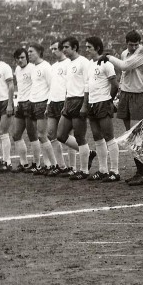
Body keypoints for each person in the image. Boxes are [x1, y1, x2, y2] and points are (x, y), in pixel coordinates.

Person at [100, 30, 143, 185]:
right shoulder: (123, 53)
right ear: (126, 43)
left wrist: (108, 57)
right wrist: (119, 93)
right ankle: (139, 172)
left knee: (137, 136)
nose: (134, 47)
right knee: (130, 135)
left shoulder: (142, 51)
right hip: (126, 94)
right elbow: (124, 74)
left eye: (136, 44)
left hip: (139, 94)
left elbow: (125, 66)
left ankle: (142, 174)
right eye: (131, 44)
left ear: (139, 43)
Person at [81, 36, 120, 182]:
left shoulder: (106, 64)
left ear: (97, 48)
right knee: (97, 137)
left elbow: (115, 85)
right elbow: (87, 87)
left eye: (89, 47)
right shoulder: (90, 65)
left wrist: (109, 100)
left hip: (103, 103)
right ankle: (103, 170)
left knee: (109, 137)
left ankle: (115, 171)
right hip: (92, 104)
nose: (87, 50)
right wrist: (85, 104)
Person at [56, 37, 95, 181]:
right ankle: (89, 153)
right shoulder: (67, 64)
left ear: (75, 48)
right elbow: (69, 86)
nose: (64, 50)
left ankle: (84, 170)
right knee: (60, 135)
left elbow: (87, 84)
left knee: (80, 136)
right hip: (69, 101)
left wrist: (85, 105)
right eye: (63, 47)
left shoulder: (84, 62)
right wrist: (66, 103)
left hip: (80, 101)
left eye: (66, 47)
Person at [45, 40, 73, 176]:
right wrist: (48, 104)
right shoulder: (53, 66)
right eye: (51, 49)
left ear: (62, 49)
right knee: (51, 134)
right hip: (53, 103)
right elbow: (52, 87)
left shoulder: (69, 63)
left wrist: (68, 102)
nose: (53, 51)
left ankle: (73, 167)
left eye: (55, 48)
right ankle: (61, 166)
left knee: (67, 135)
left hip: (65, 102)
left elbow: (71, 85)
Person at [26, 43, 54, 174]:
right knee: (38, 135)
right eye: (28, 51)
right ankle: (47, 165)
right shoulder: (32, 67)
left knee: (43, 135)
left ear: (39, 52)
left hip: (42, 103)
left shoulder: (46, 67)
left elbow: (51, 86)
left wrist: (48, 104)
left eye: (31, 51)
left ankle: (52, 165)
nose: (29, 53)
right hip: (33, 103)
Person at [10, 47, 33, 172]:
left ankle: (37, 164)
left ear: (27, 57)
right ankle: (24, 163)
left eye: (22, 57)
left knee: (32, 135)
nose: (20, 60)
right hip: (20, 104)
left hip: (30, 104)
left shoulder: (33, 68)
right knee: (16, 134)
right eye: (18, 58)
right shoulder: (17, 69)